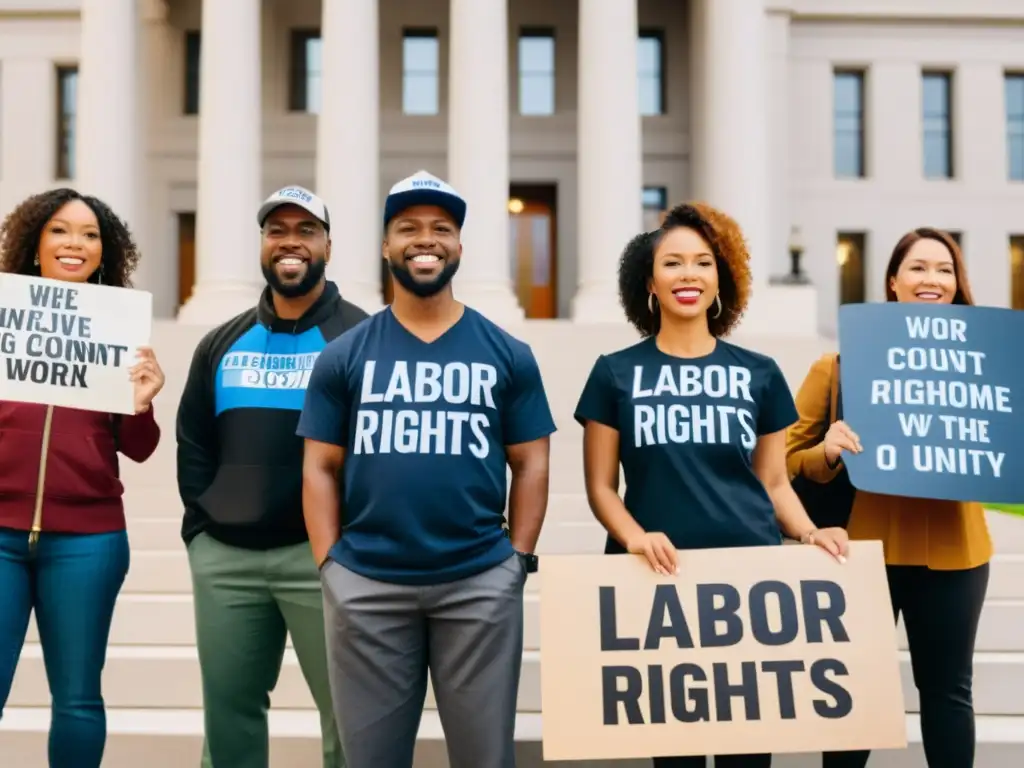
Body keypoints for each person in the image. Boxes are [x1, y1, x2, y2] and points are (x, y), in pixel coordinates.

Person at [573, 203, 849, 768]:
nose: (688, 275)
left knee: (747, 758)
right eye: (672, 263)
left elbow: (774, 481)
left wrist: (809, 531)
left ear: (721, 278)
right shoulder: (613, 373)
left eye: (702, 262)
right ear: (649, 282)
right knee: (675, 758)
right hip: (656, 586)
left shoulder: (760, 372)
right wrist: (633, 537)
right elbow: (601, 488)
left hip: (747, 587)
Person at [298, 170, 555, 768]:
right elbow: (318, 467)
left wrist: (515, 561)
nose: (426, 239)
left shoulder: (507, 352)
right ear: (386, 246)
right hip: (366, 584)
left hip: (478, 584)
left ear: (460, 247)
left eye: (442, 228)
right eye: (408, 228)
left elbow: (532, 460)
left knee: (485, 758)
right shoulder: (345, 354)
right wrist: (331, 566)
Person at [175, 186, 368, 768]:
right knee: (229, 719)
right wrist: (203, 534)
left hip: (323, 559)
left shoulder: (361, 337)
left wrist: (344, 546)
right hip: (226, 561)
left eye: (306, 231)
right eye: (277, 230)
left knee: (350, 717)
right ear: (262, 244)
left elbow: (376, 451)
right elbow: (193, 443)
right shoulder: (222, 341)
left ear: (328, 246)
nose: (290, 242)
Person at [787, 228, 992, 768]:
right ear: (893, 282)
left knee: (949, 694)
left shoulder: (987, 366)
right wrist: (825, 454)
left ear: (957, 284)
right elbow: (781, 458)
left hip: (956, 552)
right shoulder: (835, 368)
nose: (933, 279)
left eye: (945, 269)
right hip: (860, 553)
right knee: (855, 696)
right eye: (919, 268)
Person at [0, 187, 164, 768]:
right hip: (0, 535)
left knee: (76, 700)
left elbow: (139, 450)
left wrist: (141, 403)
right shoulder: (2, 317)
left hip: (89, 541)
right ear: (35, 243)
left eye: (90, 234)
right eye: (61, 231)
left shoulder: (118, 328)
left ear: (105, 251)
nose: (76, 244)